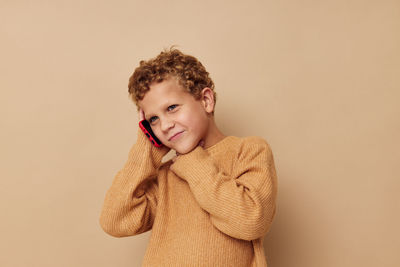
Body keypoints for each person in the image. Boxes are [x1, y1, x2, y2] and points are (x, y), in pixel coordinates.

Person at [99, 47, 278, 267]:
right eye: (153, 119)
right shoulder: (165, 175)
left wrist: (194, 161)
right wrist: (146, 149)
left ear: (206, 100)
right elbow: (115, 221)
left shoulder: (249, 150)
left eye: (172, 108)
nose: (165, 125)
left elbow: (250, 221)